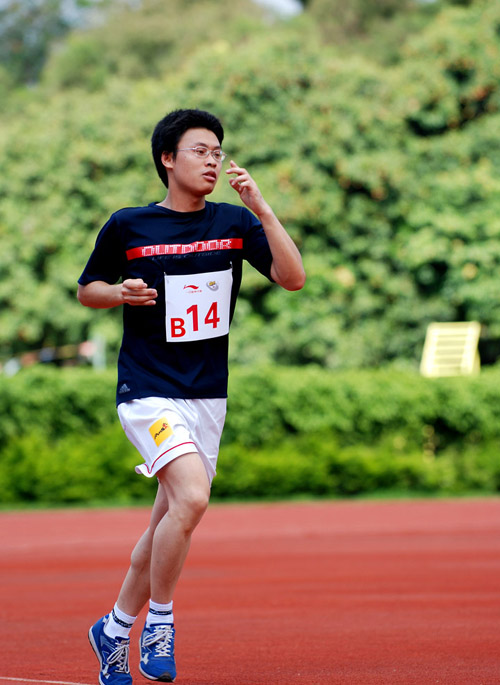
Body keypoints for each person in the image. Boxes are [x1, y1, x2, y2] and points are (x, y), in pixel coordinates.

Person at [77, 108, 305, 684]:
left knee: (169, 521)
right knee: (195, 499)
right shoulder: (129, 224)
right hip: (147, 390)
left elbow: (293, 277)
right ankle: (160, 620)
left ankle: (113, 629)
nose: (213, 160)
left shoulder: (235, 222)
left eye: (217, 152)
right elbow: (88, 290)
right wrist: (119, 293)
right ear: (167, 158)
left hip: (207, 396)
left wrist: (263, 209)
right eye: (200, 150)